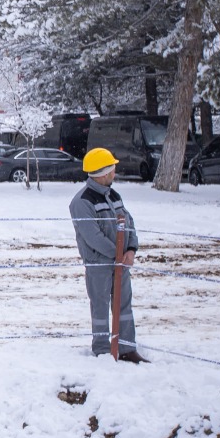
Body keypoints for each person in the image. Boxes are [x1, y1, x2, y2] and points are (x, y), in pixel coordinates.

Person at [69, 147, 143, 362]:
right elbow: (93, 237)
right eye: (112, 169)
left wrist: (131, 249)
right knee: (100, 306)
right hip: (99, 264)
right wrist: (118, 255)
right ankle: (101, 350)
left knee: (124, 305)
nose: (114, 173)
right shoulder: (82, 202)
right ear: (103, 173)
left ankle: (127, 348)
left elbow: (128, 222)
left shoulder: (113, 195)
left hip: (121, 262)